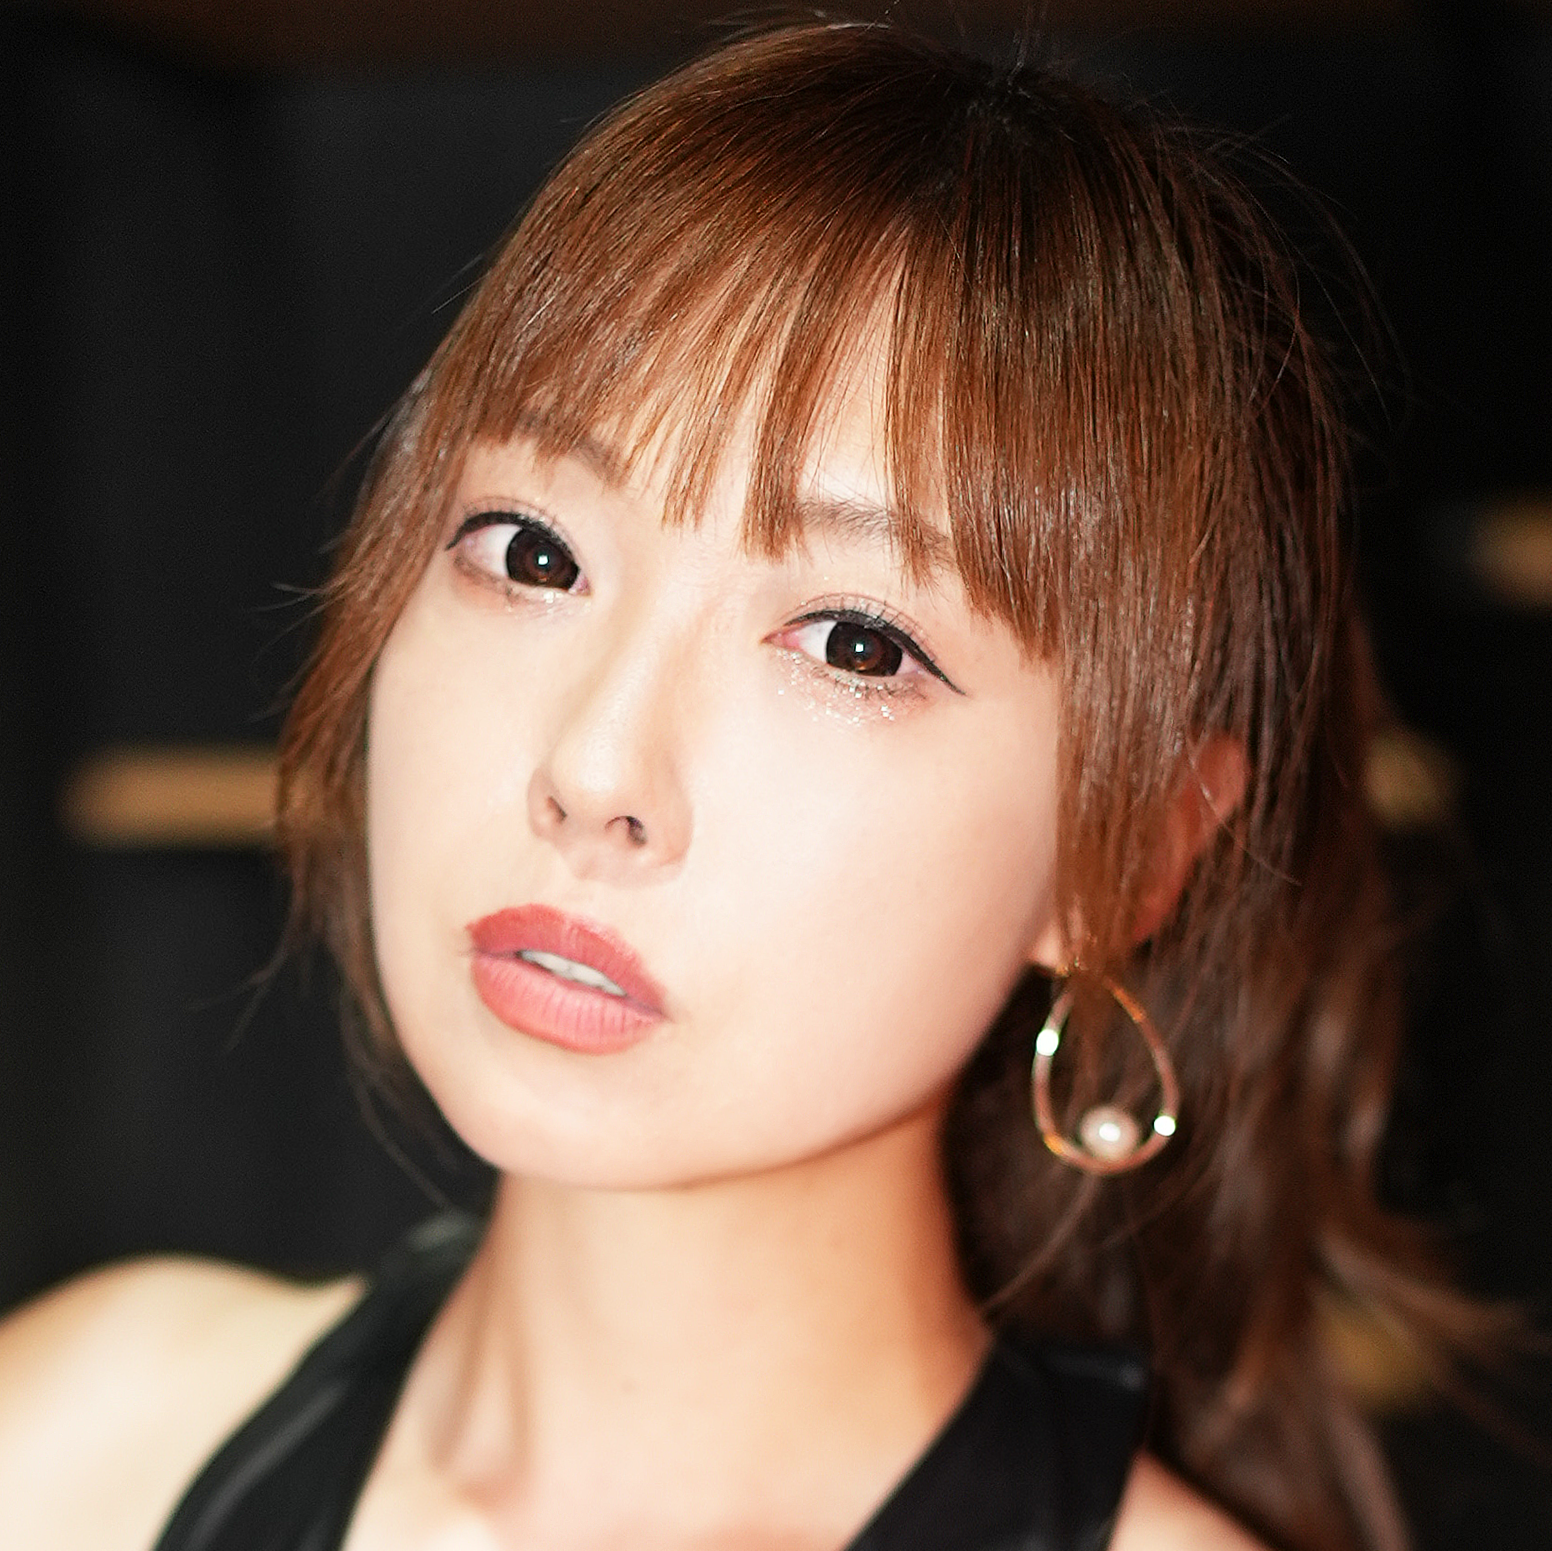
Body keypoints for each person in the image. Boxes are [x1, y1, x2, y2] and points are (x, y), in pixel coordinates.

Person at [0, 20, 1486, 1551]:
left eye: (854, 643)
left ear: (1131, 856)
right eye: (533, 552)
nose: (592, 769)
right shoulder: (81, 1446)